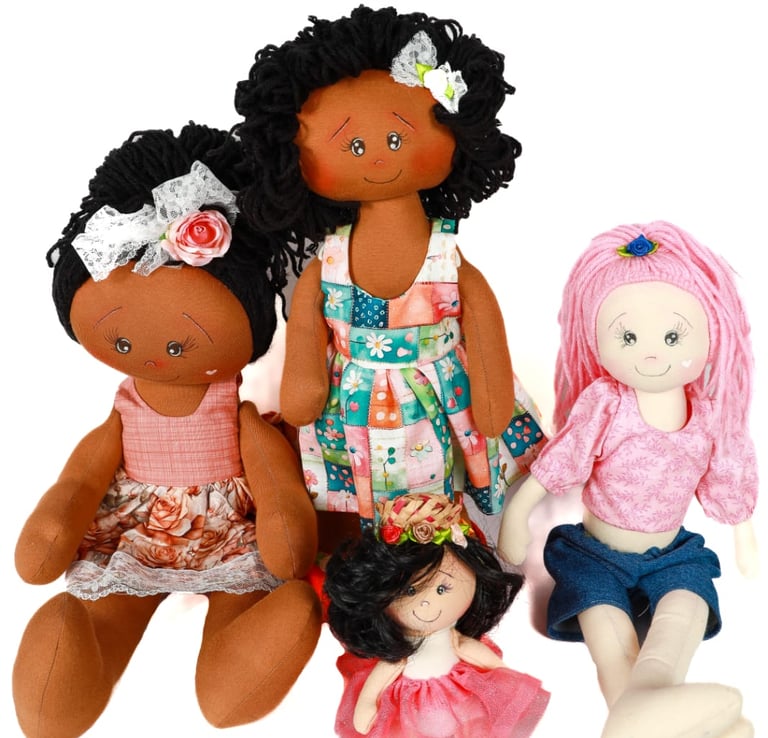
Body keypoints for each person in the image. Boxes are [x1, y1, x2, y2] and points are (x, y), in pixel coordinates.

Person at [13, 123, 321, 737]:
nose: (152, 356)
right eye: (124, 343)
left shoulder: (235, 412)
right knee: (110, 604)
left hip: (229, 535)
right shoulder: (123, 412)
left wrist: (285, 524)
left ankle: (240, 657)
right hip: (136, 536)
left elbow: (273, 476)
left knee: (251, 588)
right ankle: (75, 656)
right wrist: (55, 524)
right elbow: (82, 479)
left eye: (180, 343)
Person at [234, 6, 546, 543]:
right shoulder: (330, 259)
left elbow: (482, 324)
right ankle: (358, 542)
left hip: (439, 390)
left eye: (397, 139)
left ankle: (441, 539)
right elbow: (307, 329)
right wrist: (304, 385)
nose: (378, 157)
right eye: (353, 146)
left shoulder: (446, 255)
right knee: (355, 481)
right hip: (351, 400)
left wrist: (491, 396)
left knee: (438, 475)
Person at [498, 221, 758, 738]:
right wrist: (517, 514)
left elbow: (727, 475)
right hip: (596, 554)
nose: (651, 353)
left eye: (672, 337)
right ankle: (673, 720)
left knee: (684, 607)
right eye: (629, 337)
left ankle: (637, 717)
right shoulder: (605, 403)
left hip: (673, 554)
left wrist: (744, 535)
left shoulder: (708, 417)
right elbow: (562, 460)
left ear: (714, 334)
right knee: (607, 632)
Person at [324, 492, 549, 737]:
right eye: (410, 591)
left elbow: (487, 661)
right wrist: (367, 705)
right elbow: (373, 692)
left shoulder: (457, 642)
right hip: (410, 717)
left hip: (460, 705)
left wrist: (504, 678)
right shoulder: (398, 657)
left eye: (442, 589)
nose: (427, 602)